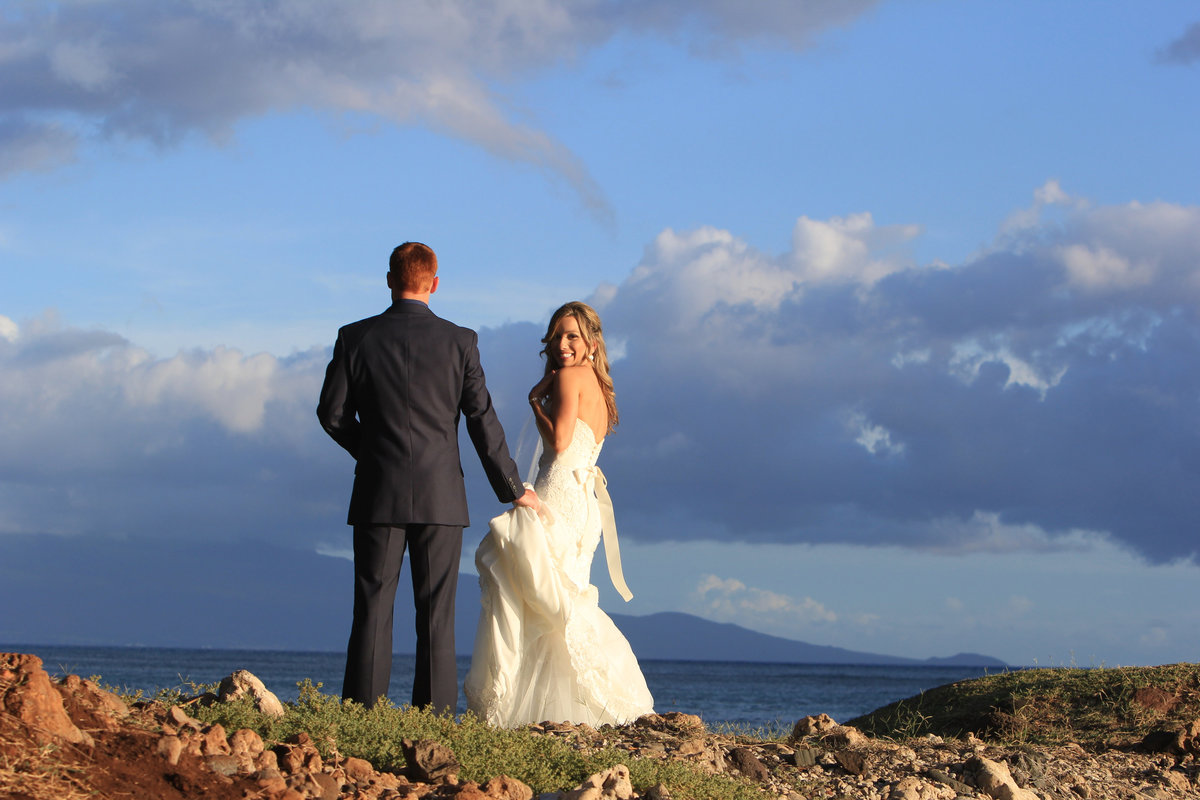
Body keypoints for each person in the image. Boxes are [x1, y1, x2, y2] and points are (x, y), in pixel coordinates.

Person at [317, 241, 538, 713]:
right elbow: (483, 420)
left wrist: (372, 452)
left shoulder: (354, 337)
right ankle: (434, 725)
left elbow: (332, 414)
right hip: (441, 495)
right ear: (434, 283)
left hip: (378, 491)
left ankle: (360, 721)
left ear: (390, 279)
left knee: (372, 610)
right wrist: (513, 488)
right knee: (436, 615)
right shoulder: (461, 341)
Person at [465, 301, 654, 727]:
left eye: (572, 336)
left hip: (558, 496)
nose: (563, 344)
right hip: (583, 504)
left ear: (591, 342)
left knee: (543, 598)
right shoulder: (600, 386)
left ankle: (532, 710)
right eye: (557, 336)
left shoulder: (569, 378)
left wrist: (536, 401)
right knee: (560, 598)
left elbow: (561, 442)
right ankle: (568, 711)